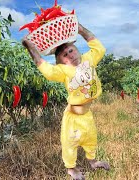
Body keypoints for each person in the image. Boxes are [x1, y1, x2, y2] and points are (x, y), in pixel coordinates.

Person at [22, 23, 110, 180]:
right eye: (65, 55)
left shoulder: (89, 59)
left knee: (90, 137)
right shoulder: (62, 71)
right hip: (72, 116)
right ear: (60, 62)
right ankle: (71, 169)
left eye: (71, 50)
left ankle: (92, 161)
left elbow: (100, 49)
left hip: (87, 113)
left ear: (77, 49)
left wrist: (82, 30)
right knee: (70, 142)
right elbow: (45, 69)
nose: (70, 55)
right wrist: (30, 48)